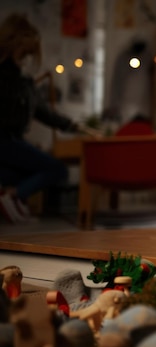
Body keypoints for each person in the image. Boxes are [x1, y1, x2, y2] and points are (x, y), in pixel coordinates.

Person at [0, 14, 99, 224]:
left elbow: (45, 113)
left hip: (14, 141)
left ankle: (13, 197)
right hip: (5, 141)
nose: (26, 56)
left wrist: (74, 126)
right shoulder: (12, 79)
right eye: (23, 51)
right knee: (57, 169)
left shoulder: (24, 81)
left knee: (19, 175)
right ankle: (14, 196)